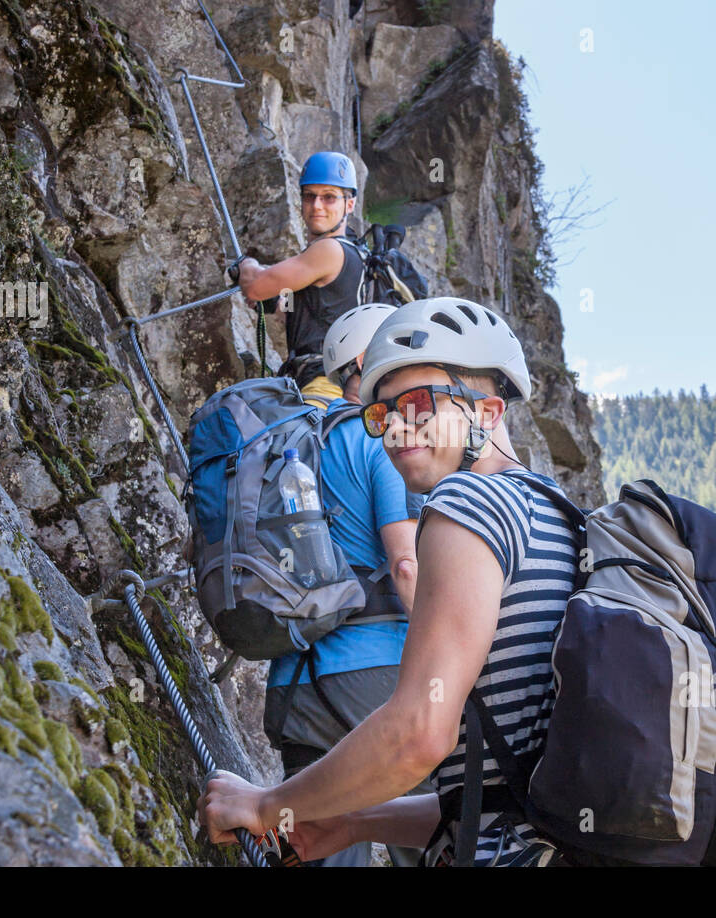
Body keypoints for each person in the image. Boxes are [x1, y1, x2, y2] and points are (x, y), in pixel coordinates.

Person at [199, 297, 580, 866]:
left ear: (488, 412)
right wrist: (354, 824)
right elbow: (496, 798)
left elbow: (419, 735)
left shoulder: (466, 504)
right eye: (383, 414)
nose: (398, 428)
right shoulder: (559, 513)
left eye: (420, 405)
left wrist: (267, 806)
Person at [261, 302, 428, 866]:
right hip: (376, 682)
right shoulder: (385, 443)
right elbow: (406, 567)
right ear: (368, 362)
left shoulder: (292, 444)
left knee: (320, 846)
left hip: (294, 681)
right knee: (431, 833)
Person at [235, 151, 366, 408]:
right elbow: (313, 313)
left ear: (349, 204)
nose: (317, 205)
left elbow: (255, 287)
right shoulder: (356, 256)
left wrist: (246, 265)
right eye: (310, 196)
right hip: (338, 386)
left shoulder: (329, 250)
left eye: (329, 197)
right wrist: (276, 303)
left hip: (324, 386)